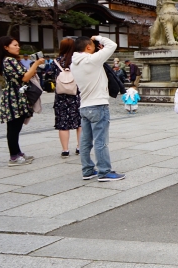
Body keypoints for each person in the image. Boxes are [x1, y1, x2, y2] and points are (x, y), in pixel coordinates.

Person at [71, 35, 124, 182]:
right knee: (101, 141)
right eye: (93, 45)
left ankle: (87, 170)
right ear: (88, 47)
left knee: (85, 141)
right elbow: (112, 45)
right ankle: (104, 171)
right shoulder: (92, 60)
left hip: (84, 106)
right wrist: (98, 37)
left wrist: (97, 50)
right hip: (98, 105)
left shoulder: (74, 63)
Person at [0, 36, 44, 167]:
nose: (18, 47)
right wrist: (36, 64)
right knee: (14, 127)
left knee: (15, 127)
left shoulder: (7, 60)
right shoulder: (9, 60)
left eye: (18, 45)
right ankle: (14, 156)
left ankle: (17, 153)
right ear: (6, 47)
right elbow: (25, 77)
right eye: (15, 45)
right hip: (14, 97)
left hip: (15, 95)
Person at [43, 38, 81, 157]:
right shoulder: (77, 60)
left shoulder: (55, 61)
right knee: (80, 122)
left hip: (61, 96)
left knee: (63, 123)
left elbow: (52, 75)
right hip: (76, 94)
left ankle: (65, 149)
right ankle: (80, 147)